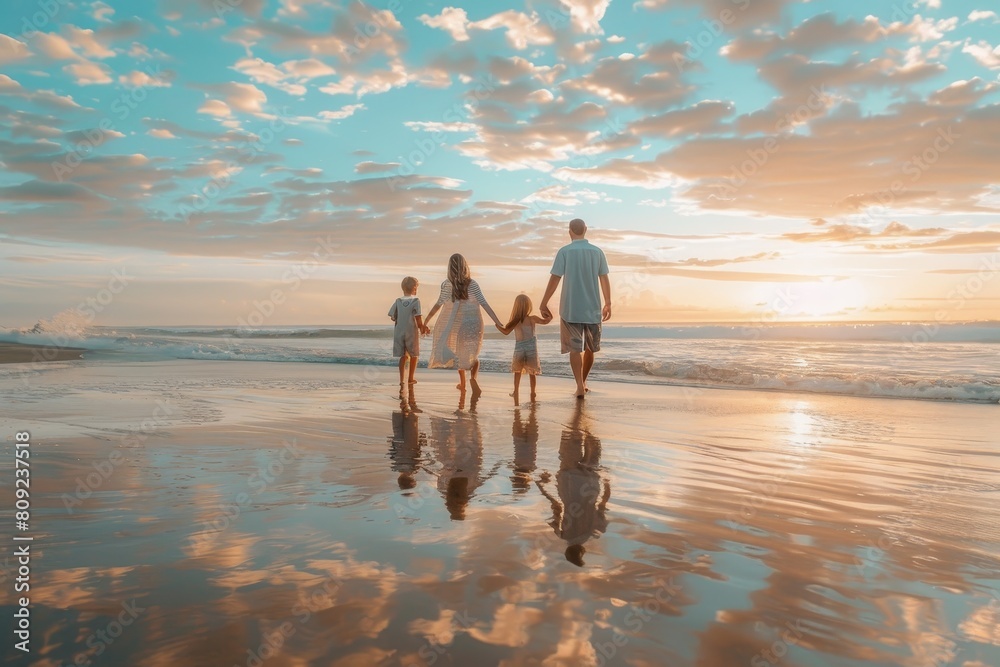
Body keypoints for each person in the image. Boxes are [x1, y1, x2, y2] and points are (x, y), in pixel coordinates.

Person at [539, 219, 611, 399]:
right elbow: (604, 278)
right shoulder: (597, 252)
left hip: (570, 308)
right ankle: (584, 382)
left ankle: (579, 385)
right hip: (592, 308)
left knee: (574, 349)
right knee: (590, 348)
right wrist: (608, 302)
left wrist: (544, 302)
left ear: (569, 231)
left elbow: (555, 278)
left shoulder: (565, 252)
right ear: (585, 230)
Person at [424, 254, 503, 396]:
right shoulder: (473, 284)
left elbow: (438, 304)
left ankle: (463, 384)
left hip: (461, 325)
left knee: (460, 355)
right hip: (475, 324)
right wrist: (498, 322)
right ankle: (473, 379)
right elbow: (484, 304)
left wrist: (426, 320)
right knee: (473, 355)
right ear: (465, 266)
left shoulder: (447, 285)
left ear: (450, 267)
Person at [496, 294, 551, 404]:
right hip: (531, 349)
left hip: (520, 348)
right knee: (532, 372)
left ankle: (516, 391)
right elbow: (546, 321)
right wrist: (548, 314)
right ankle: (533, 392)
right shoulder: (532, 319)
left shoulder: (515, 321)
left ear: (516, 307)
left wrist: (497, 325)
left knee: (518, 371)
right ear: (528, 306)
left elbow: (505, 332)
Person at [388, 276, 430, 387]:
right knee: (414, 354)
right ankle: (410, 378)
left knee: (403, 356)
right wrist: (422, 327)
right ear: (414, 288)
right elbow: (418, 316)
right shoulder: (415, 300)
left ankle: (402, 379)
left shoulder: (398, 301)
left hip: (399, 331)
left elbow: (392, 316)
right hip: (411, 331)